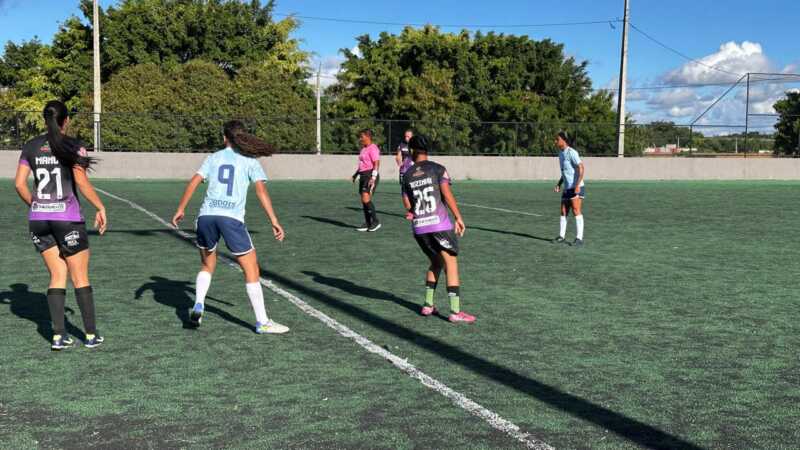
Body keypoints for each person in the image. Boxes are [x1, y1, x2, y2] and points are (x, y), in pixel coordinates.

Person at [171, 120, 289, 334]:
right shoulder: (250, 160)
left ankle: (199, 303)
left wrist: (181, 208)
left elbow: (194, 181)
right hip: (230, 219)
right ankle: (262, 322)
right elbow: (261, 191)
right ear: (243, 137)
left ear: (224, 137)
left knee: (207, 265)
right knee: (251, 269)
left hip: (206, 217)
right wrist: (274, 220)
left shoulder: (213, 157)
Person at [14, 100, 108, 350]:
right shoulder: (74, 145)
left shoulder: (31, 146)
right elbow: (82, 182)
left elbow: (19, 184)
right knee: (80, 276)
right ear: (66, 120)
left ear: (45, 120)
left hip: (39, 220)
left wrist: (36, 204)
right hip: (67, 219)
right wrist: (100, 206)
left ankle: (58, 336)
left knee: (57, 274)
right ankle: (90, 335)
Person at [401, 135, 475, 323]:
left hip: (419, 228)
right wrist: (458, 217)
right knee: (451, 263)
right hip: (439, 225)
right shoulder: (437, 168)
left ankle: (428, 305)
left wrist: (415, 211)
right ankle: (455, 312)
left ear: (412, 150)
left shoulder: (407, 174)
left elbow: (408, 204)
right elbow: (446, 194)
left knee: (435, 262)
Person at [553, 131, 586, 246]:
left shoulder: (572, 152)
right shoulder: (560, 154)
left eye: (557, 139)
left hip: (576, 186)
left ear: (563, 140)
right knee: (563, 211)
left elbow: (581, 168)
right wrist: (559, 184)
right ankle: (561, 236)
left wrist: (577, 185)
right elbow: (565, 172)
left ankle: (579, 238)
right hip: (567, 187)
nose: (555, 141)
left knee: (576, 210)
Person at [351, 129, 381, 232]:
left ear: (368, 137)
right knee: (363, 200)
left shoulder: (373, 148)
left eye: (362, 136)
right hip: (363, 175)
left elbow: (376, 163)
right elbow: (362, 165)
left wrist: (373, 177)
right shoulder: (364, 149)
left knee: (365, 198)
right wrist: (355, 175)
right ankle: (368, 223)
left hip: (370, 175)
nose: (360, 138)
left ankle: (375, 222)